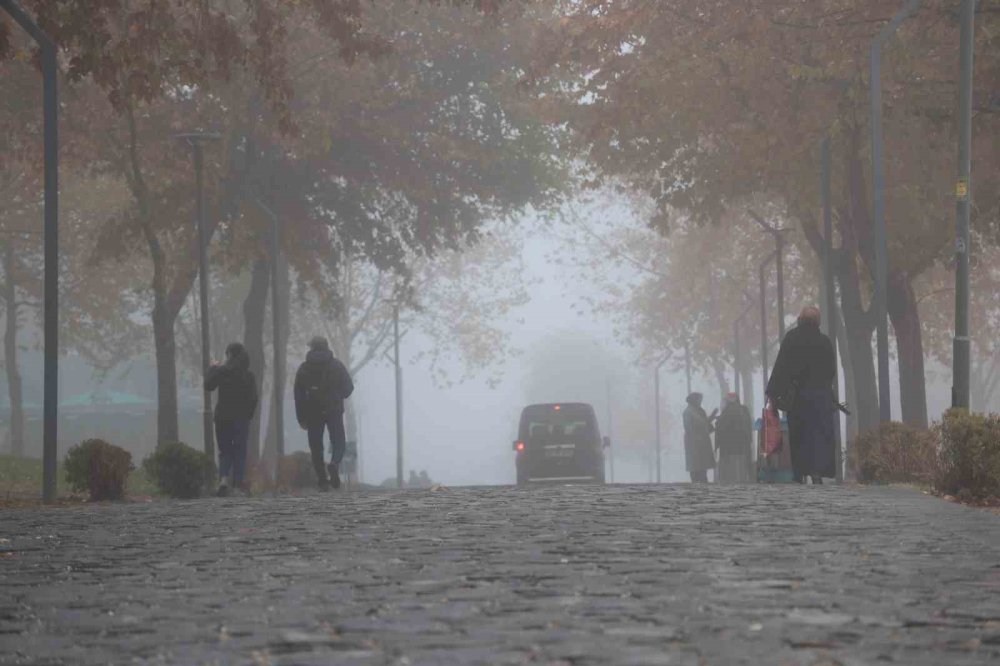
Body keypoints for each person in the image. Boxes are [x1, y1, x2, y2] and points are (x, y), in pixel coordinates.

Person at [766, 305, 836, 484]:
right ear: (817, 322)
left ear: (800, 319)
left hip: (798, 398)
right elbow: (831, 371)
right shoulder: (825, 342)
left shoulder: (792, 339)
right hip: (820, 397)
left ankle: (799, 473)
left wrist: (773, 395)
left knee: (799, 434)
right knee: (818, 435)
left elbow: (782, 367)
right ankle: (817, 472)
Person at [294, 336, 354, 491]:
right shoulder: (337, 366)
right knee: (338, 440)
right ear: (326, 347)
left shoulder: (304, 368)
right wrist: (337, 395)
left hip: (313, 410)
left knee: (316, 446)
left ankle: (322, 480)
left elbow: (298, 395)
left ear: (311, 348)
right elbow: (349, 387)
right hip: (334, 409)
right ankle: (334, 463)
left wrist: (301, 417)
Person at [205, 342, 258, 496]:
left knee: (225, 450)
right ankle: (238, 484)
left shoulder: (222, 371)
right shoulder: (248, 375)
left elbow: (208, 385)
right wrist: (249, 415)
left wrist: (213, 368)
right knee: (240, 450)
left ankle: (223, 479)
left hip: (222, 417)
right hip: (241, 418)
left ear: (229, 355)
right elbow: (254, 398)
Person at [715, 392, 753, 484]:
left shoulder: (726, 411)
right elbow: (748, 426)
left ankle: (730, 480)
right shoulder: (743, 410)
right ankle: (742, 478)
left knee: (731, 464)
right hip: (742, 443)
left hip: (728, 445)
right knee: (740, 463)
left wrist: (717, 443)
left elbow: (721, 428)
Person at [683, 392, 716, 483]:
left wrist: (711, 420)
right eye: (699, 399)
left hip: (702, 443)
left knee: (702, 467)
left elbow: (706, 426)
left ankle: (703, 482)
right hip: (694, 443)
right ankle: (696, 483)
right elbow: (690, 428)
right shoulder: (688, 412)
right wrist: (709, 419)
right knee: (695, 468)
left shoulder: (700, 411)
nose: (700, 401)